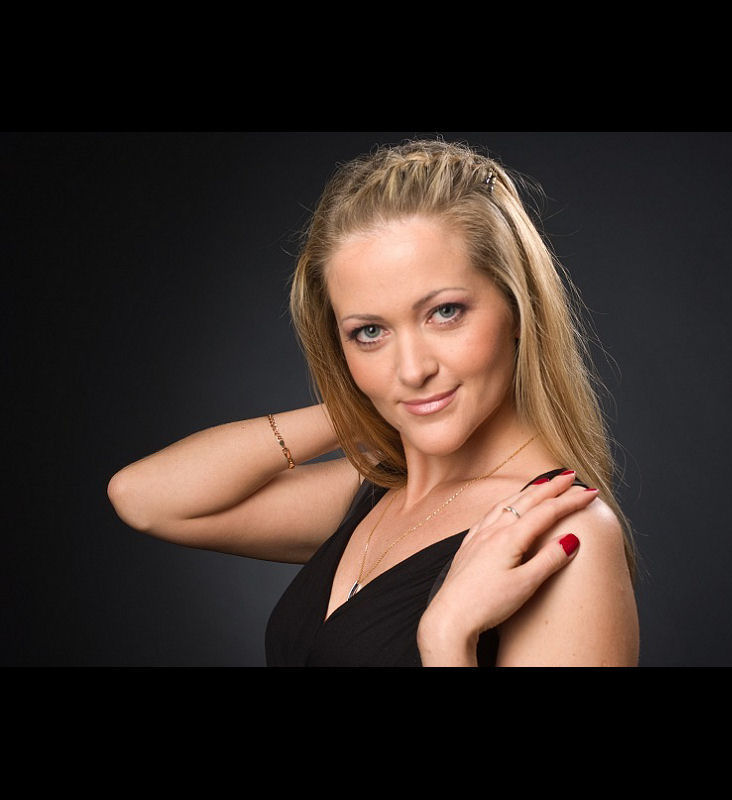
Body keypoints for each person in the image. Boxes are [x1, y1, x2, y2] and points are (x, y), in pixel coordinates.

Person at [107, 139, 639, 667]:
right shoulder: (378, 491)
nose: (412, 370)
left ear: (518, 308)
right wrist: (361, 407)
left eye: (445, 312)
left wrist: (447, 641)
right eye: (369, 332)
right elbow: (144, 498)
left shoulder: (566, 533)